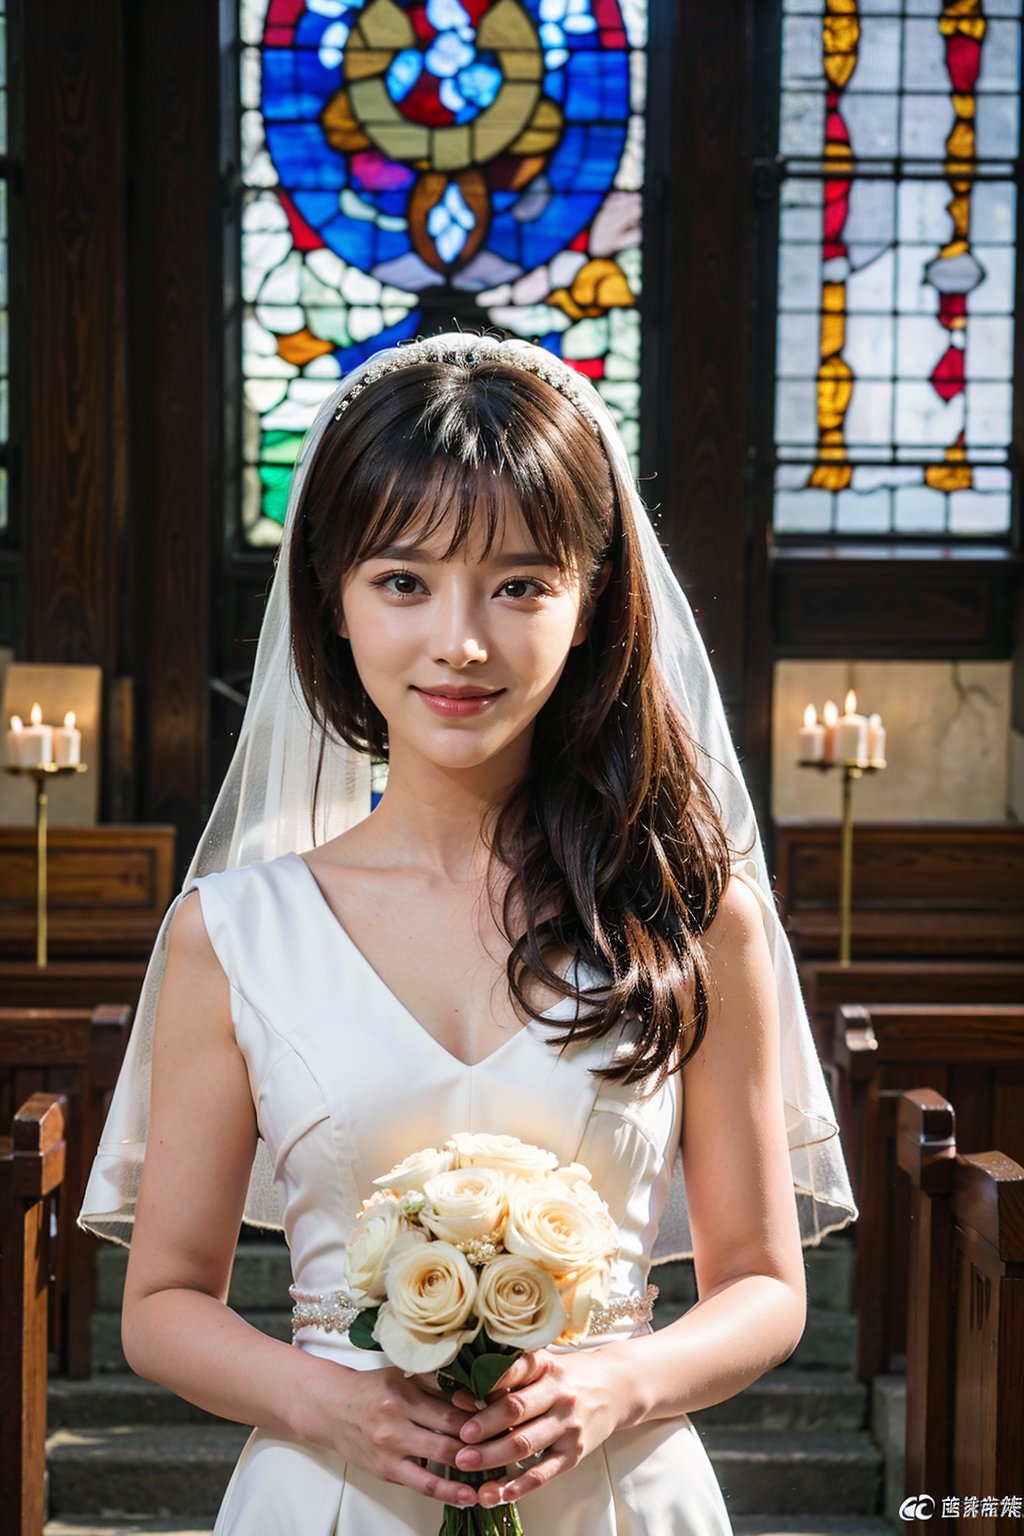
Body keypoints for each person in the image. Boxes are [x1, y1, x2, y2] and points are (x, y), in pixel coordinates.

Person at [79, 333, 857, 1535]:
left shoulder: (698, 917)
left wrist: (618, 1381)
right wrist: (327, 1402)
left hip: (615, 1491)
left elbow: (760, 1283)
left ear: (590, 601)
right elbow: (166, 1300)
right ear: (333, 601)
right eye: (403, 581)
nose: (462, 642)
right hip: (327, 1496)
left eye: (519, 583)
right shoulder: (230, 932)